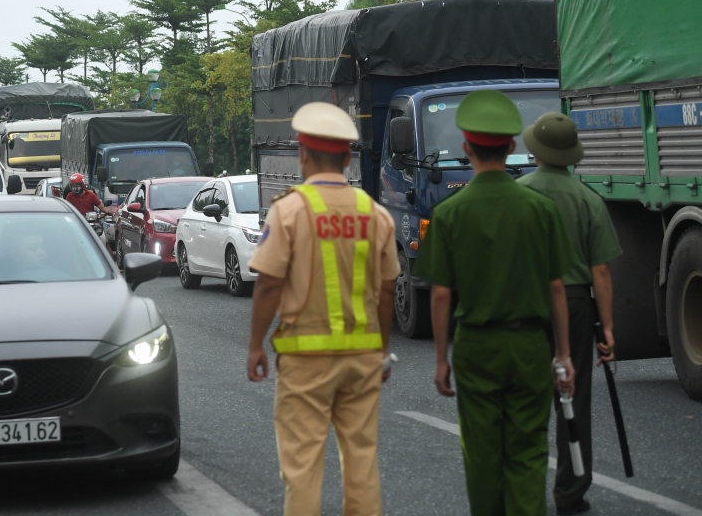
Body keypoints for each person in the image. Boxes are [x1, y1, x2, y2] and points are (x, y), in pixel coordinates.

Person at [414, 89, 576, 516]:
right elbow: (557, 286)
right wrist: (562, 354)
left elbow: (442, 293)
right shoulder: (539, 208)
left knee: (482, 455)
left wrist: (440, 359)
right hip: (528, 348)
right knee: (527, 453)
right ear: (511, 147)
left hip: (476, 347)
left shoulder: (450, 213)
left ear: (466, 148)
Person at [246, 102, 400, 516]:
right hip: (364, 357)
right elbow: (387, 293)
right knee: (362, 460)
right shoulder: (376, 214)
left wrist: (255, 346)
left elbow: (268, 286)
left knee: (302, 467)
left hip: (305, 358)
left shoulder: (289, 210)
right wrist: (381, 351)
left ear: (303, 155)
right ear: (349, 159)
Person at [517, 112, 623, 515]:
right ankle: (571, 490)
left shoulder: (521, 192)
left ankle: (525, 487)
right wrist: (609, 328)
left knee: (528, 397)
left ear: (537, 151)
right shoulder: (588, 199)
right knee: (573, 394)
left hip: (526, 300)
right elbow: (602, 272)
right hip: (577, 304)